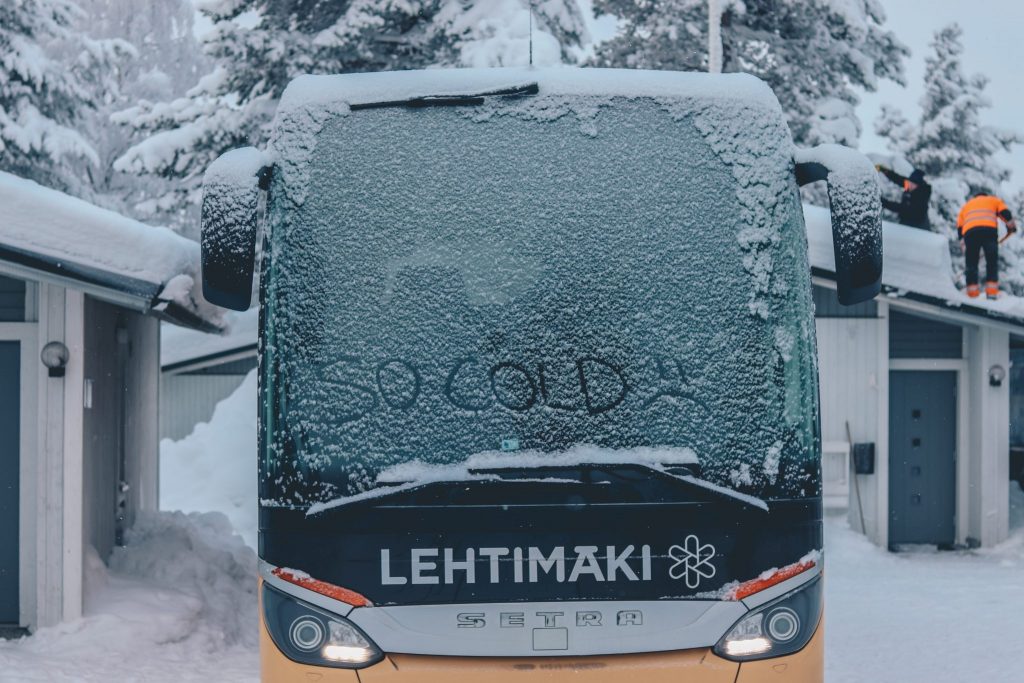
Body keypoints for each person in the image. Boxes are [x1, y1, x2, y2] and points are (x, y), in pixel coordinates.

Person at [957, 190, 1017, 299]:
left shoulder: (967, 205)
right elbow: (1005, 213)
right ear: (985, 196)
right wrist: (1011, 226)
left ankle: (972, 293)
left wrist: (962, 241)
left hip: (970, 233)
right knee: (991, 261)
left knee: (971, 262)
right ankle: (992, 292)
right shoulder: (993, 200)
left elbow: (960, 225)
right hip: (988, 231)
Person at [875, 164, 932, 230]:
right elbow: (898, 179)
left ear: (919, 185)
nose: (910, 185)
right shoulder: (911, 186)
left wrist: (882, 201)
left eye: (913, 184)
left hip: (917, 226)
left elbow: (902, 208)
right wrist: (884, 170)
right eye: (910, 182)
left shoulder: (921, 197)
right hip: (906, 221)